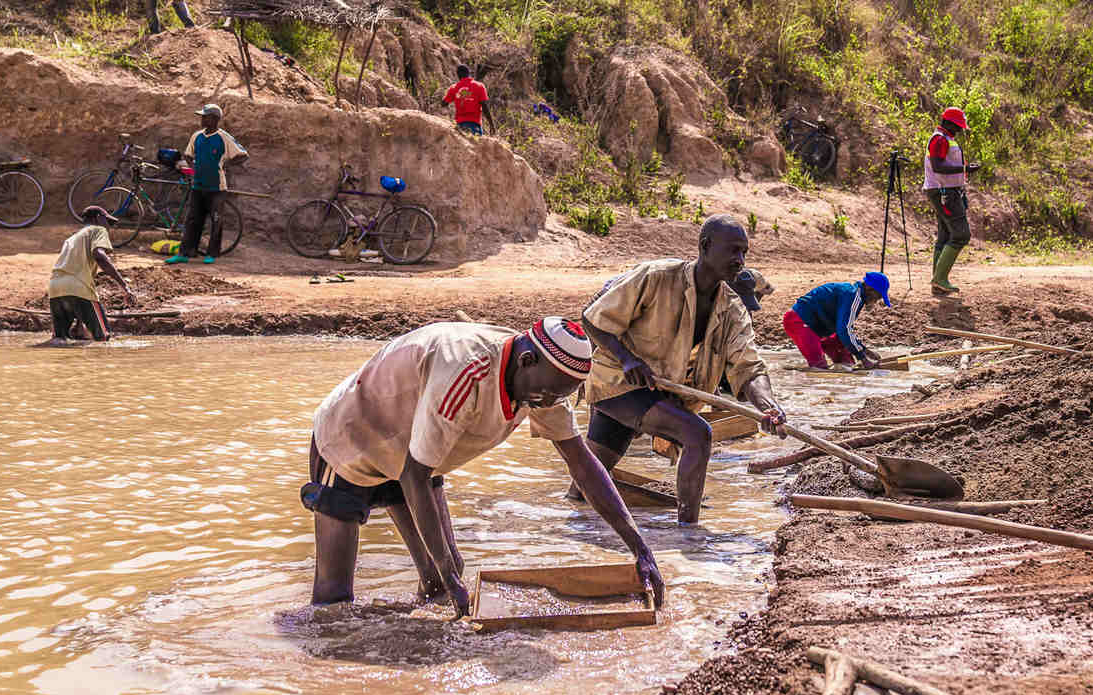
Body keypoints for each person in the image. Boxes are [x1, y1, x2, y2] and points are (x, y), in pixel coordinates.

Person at [305, 316, 664, 616]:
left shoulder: (547, 383)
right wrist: (449, 574)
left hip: (413, 452)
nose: (548, 405)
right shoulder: (465, 372)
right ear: (525, 361)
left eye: (559, 398)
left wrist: (639, 547)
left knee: (439, 583)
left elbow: (582, 466)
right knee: (333, 604)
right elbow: (414, 477)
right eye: (546, 395)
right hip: (354, 438)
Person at [577, 215, 788, 523]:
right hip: (619, 384)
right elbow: (593, 319)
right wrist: (627, 359)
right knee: (698, 434)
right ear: (705, 247)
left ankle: (569, 529)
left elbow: (750, 367)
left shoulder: (731, 308)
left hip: (661, 396)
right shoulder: (657, 277)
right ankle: (689, 532)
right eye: (733, 251)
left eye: (744, 252)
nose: (740, 260)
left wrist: (768, 406)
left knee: (586, 484)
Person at [167, 104, 247, 266]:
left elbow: (243, 155)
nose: (202, 119)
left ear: (215, 119)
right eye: (202, 116)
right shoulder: (197, 136)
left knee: (216, 220)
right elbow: (188, 155)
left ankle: (211, 254)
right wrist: (194, 166)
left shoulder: (223, 137)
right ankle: (185, 252)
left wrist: (225, 164)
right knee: (192, 220)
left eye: (205, 116)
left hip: (217, 188)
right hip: (198, 185)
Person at [48, 205, 134, 341]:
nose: (108, 227)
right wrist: (124, 286)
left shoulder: (73, 238)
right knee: (103, 340)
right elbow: (99, 255)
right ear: (98, 218)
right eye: (108, 222)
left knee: (59, 340)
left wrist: (79, 321)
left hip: (55, 288)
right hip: (79, 288)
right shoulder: (98, 230)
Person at [924, 106, 980, 296]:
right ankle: (939, 278)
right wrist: (964, 169)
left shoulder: (944, 138)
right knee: (961, 234)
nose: (959, 130)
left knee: (946, 235)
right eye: (957, 126)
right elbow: (938, 166)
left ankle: (938, 282)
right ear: (947, 123)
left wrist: (963, 169)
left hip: (945, 191)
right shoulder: (940, 139)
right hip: (944, 193)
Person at [783, 273, 891, 370]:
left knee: (847, 363)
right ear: (869, 288)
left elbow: (844, 329)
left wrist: (864, 350)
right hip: (799, 321)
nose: (877, 300)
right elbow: (845, 329)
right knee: (819, 367)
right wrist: (862, 358)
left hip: (820, 326)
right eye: (878, 296)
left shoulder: (855, 295)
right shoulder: (853, 296)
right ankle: (793, 371)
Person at [441, 65, 492, 136]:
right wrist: (491, 124)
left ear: (458, 75)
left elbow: (444, 103)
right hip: (475, 124)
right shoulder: (480, 86)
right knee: (476, 145)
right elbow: (484, 106)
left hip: (460, 126)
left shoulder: (454, 88)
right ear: (469, 73)